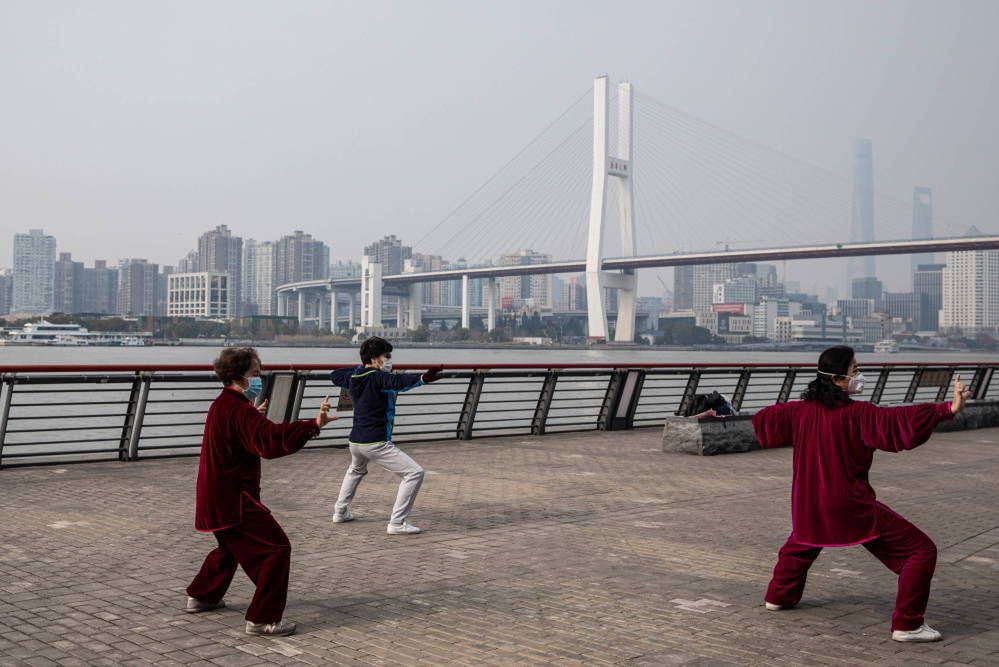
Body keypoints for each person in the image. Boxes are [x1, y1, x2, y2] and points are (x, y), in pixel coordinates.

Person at [752, 345, 970, 643]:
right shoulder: (860, 414)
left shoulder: (798, 411)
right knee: (920, 551)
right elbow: (898, 422)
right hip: (850, 505)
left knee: (804, 540)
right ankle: (908, 624)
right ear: (839, 379)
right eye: (855, 370)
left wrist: (722, 410)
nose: (859, 375)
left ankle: (779, 596)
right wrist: (948, 409)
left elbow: (764, 419)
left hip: (809, 504)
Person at [184, 347, 336, 637]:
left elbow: (244, 434)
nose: (260, 377)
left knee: (230, 548)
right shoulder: (239, 410)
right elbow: (270, 441)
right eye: (255, 373)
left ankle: (202, 596)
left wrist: (251, 417)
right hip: (235, 500)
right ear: (240, 375)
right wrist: (313, 425)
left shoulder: (222, 405)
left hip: (214, 496)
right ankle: (263, 619)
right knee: (276, 550)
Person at [330, 336, 443, 535]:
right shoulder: (377, 377)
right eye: (387, 356)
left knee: (355, 471)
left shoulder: (354, 376)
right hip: (376, 442)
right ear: (375, 359)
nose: (390, 360)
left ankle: (340, 512)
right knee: (414, 473)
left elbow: (335, 374)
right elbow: (398, 381)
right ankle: (397, 523)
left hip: (355, 441)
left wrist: (361, 369)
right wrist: (423, 378)